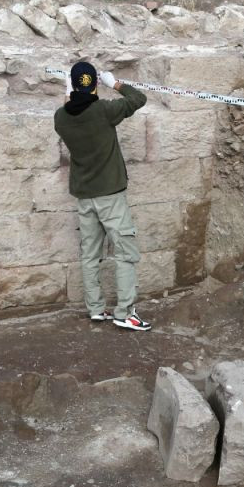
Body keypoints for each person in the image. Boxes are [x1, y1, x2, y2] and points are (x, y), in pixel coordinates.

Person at [54, 60, 151, 331]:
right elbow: (138, 98)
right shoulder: (105, 111)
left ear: (72, 86)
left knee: (90, 253)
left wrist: (68, 89)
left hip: (85, 197)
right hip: (110, 196)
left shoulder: (60, 118)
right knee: (126, 253)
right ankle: (125, 313)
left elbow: (68, 107)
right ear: (96, 84)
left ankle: (96, 308)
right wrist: (114, 82)